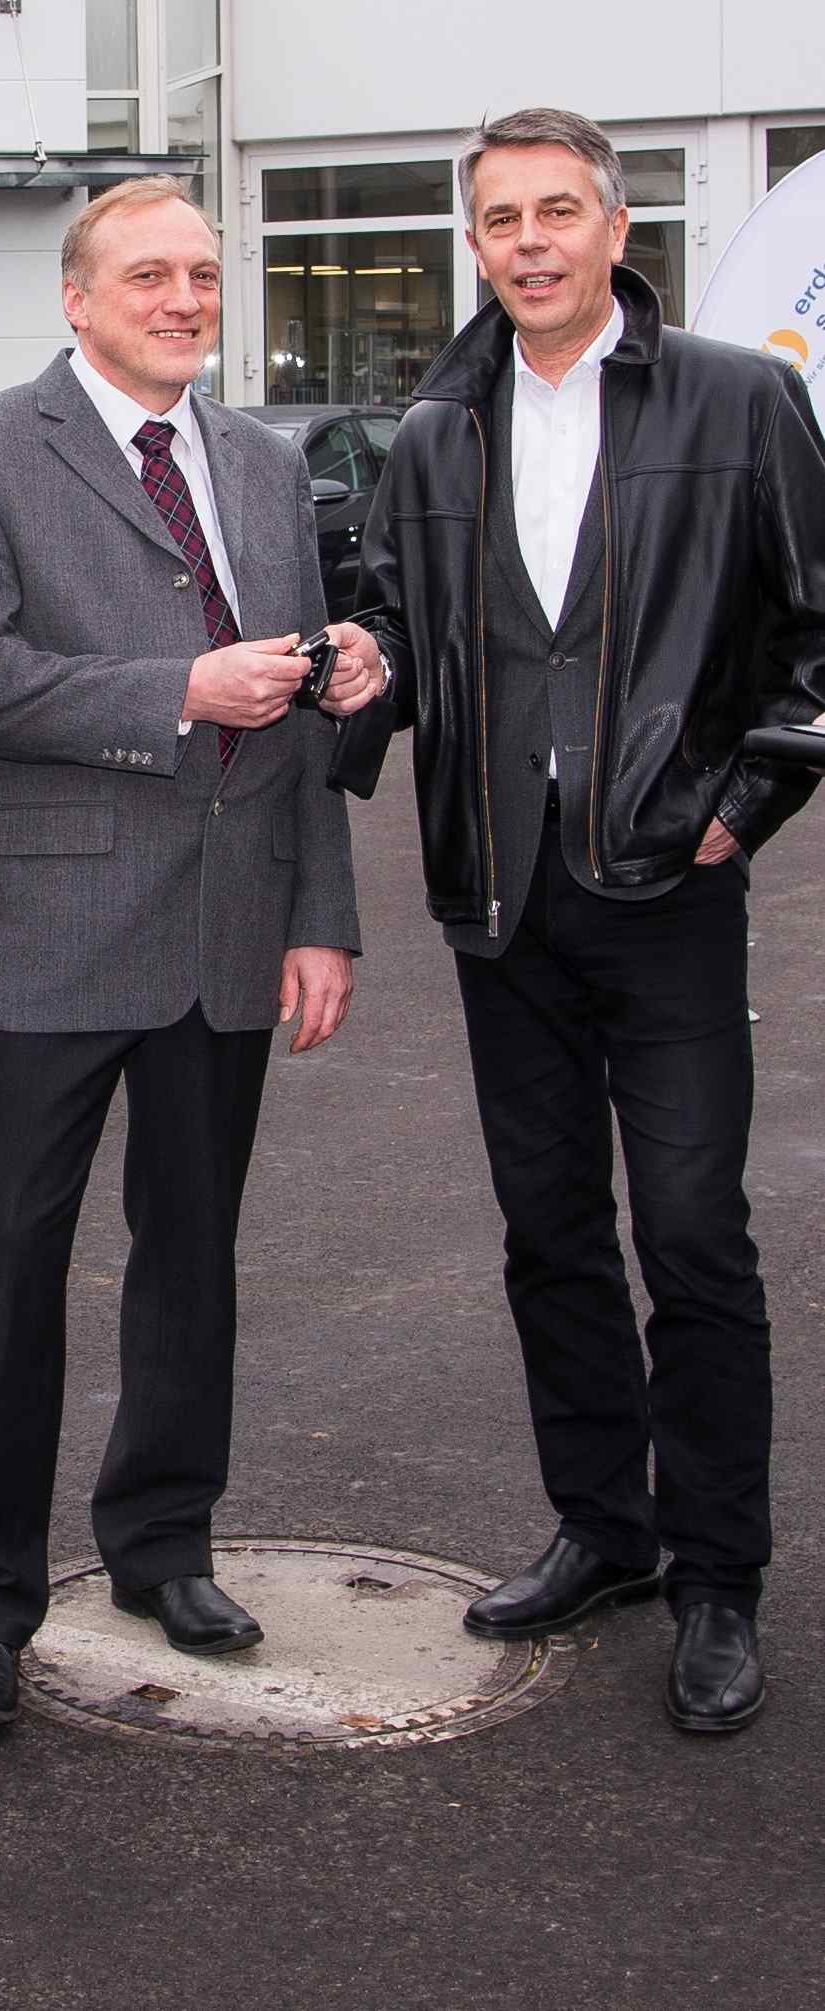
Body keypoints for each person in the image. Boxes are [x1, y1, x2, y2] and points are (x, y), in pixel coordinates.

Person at [350, 108, 825, 1735]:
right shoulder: (431, 431)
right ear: (472, 244)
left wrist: (739, 808)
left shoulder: (741, 400)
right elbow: (402, 630)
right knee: (548, 1232)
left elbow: (815, 642)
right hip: (499, 897)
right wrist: (366, 674)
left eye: (562, 210)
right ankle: (605, 1532)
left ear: (621, 230)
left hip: (666, 889)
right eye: (501, 218)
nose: (532, 241)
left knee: (691, 1236)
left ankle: (717, 1577)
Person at [0, 176, 378, 1729]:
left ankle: (163, 1543)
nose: (182, 299)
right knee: (11, 1261)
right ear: (78, 297)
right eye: (148, 276)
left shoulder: (258, 461)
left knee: (193, 1255)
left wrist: (323, 916)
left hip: (232, 930)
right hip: (57, 925)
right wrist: (178, 690)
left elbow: (302, 721)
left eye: (201, 275)